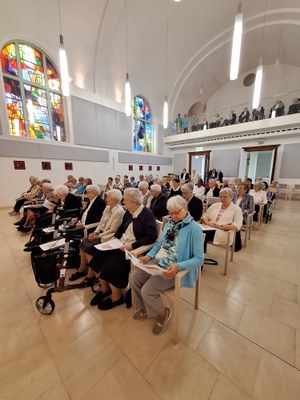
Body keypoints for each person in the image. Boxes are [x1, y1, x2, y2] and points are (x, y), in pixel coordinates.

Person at [130, 195, 204, 335]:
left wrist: (178, 266)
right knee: (134, 278)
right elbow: (159, 244)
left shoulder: (194, 229)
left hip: (173, 267)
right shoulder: (169, 223)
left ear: (186, 208)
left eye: (177, 212)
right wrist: (149, 256)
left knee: (147, 290)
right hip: (158, 262)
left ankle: (163, 313)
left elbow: (199, 259)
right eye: (171, 212)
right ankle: (146, 307)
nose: (173, 216)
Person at [84, 188, 157, 310]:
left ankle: (116, 297)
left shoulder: (147, 214)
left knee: (111, 264)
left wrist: (132, 246)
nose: (123, 202)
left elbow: (152, 236)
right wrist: (114, 237)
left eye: (126, 200)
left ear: (134, 202)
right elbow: (121, 228)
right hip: (120, 243)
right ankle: (105, 289)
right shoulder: (129, 211)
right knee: (97, 256)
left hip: (132, 249)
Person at [69, 189, 125, 281]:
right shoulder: (107, 207)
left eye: (108, 197)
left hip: (107, 237)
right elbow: (101, 223)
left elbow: (113, 230)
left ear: (114, 200)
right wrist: (95, 232)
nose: (106, 199)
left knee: (88, 249)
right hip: (100, 233)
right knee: (83, 244)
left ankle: (91, 275)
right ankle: (82, 269)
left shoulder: (119, 211)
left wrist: (98, 236)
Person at [201, 188, 242, 252]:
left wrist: (220, 226)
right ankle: (199, 253)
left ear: (231, 197)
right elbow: (204, 216)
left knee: (201, 234)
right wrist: (207, 223)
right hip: (210, 228)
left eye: (225, 197)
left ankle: (199, 255)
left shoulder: (236, 209)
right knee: (197, 231)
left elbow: (236, 226)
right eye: (221, 197)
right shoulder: (215, 206)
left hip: (223, 232)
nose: (222, 199)